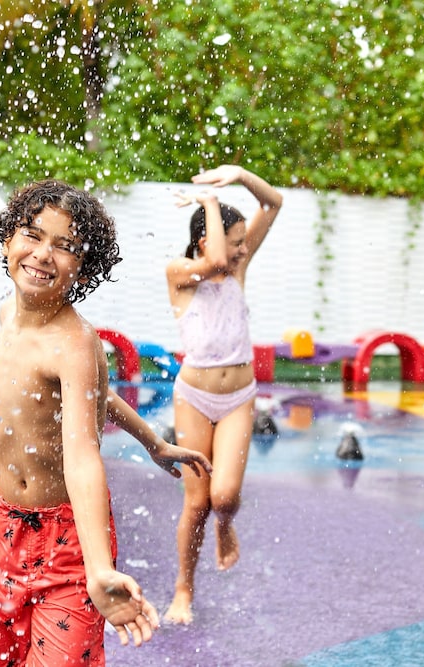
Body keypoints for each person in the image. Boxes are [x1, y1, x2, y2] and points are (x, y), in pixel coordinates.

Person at [0, 179, 212, 666]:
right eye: (32, 235)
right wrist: (153, 442)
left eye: (64, 246)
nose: (43, 254)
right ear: (8, 239)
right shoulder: (7, 315)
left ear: (83, 267)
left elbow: (82, 456)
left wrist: (99, 569)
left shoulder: (76, 342)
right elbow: (94, 396)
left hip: (64, 540)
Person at [163, 164, 283, 625]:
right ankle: (183, 589)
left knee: (225, 497)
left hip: (237, 398)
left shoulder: (238, 268)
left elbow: (273, 203)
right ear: (204, 241)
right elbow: (214, 262)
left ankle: (226, 525)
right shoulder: (179, 273)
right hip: (194, 398)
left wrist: (240, 175)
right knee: (197, 504)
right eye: (236, 242)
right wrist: (210, 201)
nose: (242, 249)